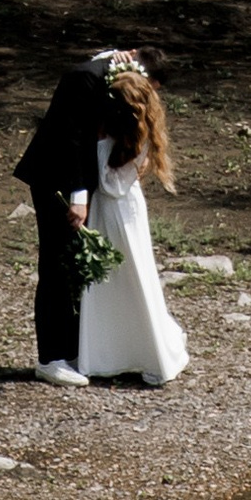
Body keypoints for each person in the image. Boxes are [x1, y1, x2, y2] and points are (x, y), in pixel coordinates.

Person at [77, 48, 189, 390]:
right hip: (113, 212)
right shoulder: (124, 131)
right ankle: (108, 351)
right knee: (110, 282)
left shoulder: (130, 139)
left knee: (131, 277)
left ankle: (141, 351)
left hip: (118, 213)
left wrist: (96, 146)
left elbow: (111, 187)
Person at [14, 51, 112, 384]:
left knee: (71, 267)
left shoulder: (102, 72)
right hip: (54, 180)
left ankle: (71, 347)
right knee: (55, 267)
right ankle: (49, 358)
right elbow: (73, 139)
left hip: (67, 182)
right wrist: (79, 196)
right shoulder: (82, 79)